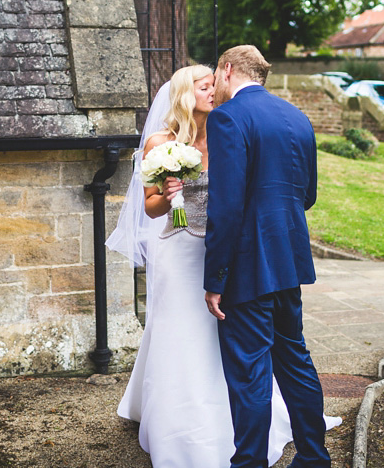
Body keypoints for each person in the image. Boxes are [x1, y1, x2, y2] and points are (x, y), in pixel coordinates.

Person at [109, 64, 337, 468]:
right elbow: (150, 206)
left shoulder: (229, 126)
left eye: (215, 84)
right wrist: (169, 193)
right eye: (204, 87)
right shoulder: (161, 143)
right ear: (184, 93)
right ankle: (181, 426)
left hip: (230, 254)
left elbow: (235, 202)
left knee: (241, 351)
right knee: (188, 335)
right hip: (184, 249)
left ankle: (239, 443)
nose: (213, 91)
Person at [205, 45, 332, 468]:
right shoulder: (297, 117)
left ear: (226, 71)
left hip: (246, 268)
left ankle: (248, 465)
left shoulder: (228, 118)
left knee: (249, 374)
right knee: (294, 360)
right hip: (289, 260)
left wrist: (215, 279)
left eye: (215, 76)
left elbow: (225, 209)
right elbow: (308, 195)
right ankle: (314, 457)